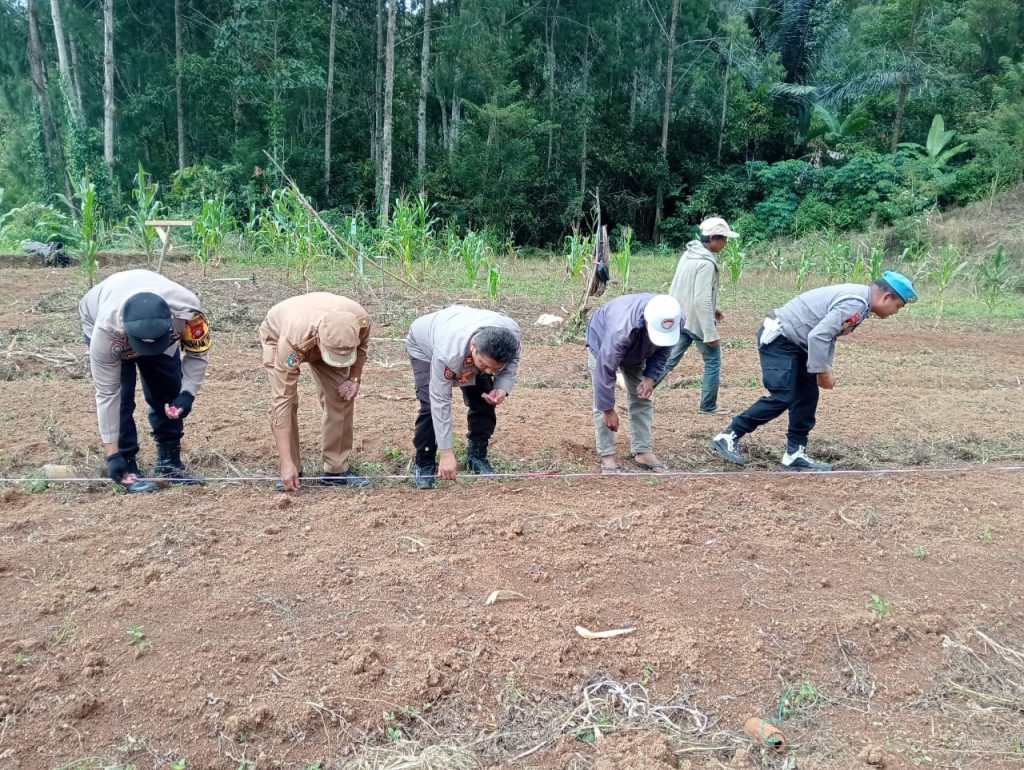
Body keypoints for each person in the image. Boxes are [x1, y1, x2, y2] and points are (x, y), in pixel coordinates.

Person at [709, 271, 918, 471]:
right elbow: (819, 336)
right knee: (783, 396)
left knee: (807, 396)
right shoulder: (856, 302)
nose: (895, 312)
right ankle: (728, 436)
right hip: (781, 339)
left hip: (798, 344)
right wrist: (822, 371)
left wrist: (825, 366)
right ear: (887, 297)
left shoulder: (860, 301)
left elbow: (828, 335)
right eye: (897, 306)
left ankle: (795, 454)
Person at [80, 269, 209, 493]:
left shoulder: (188, 311)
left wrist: (187, 393)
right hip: (101, 315)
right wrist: (113, 455)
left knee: (168, 387)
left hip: (162, 328)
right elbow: (108, 394)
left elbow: (197, 354)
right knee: (122, 396)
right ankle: (127, 464)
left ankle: (169, 461)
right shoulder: (106, 331)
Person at [259, 293, 372, 492]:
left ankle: (336, 470)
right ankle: (291, 466)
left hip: (327, 338)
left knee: (341, 395)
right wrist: (285, 464)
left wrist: (354, 378)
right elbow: (281, 401)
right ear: (319, 340)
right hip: (280, 334)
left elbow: (361, 347)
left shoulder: (359, 321)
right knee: (288, 401)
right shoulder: (292, 342)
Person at [406, 305, 522, 489]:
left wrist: (501, 387)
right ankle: (425, 461)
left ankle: (477, 456)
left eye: (495, 368)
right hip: (425, 343)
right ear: (474, 346)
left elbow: (512, 361)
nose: (489, 371)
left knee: (483, 400)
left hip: (460, 329)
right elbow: (440, 401)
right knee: (429, 406)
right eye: (484, 365)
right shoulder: (448, 353)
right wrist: (446, 453)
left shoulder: (511, 337)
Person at [586, 293, 683, 474]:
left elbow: (664, 350)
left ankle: (642, 450)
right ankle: (607, 455)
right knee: (602, 401)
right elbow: (604, 371)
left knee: (642, 396)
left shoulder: (674, 318)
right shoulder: (621, 330)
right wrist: (608, 410)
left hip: (641, 347)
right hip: (602, 341)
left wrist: (650, 377)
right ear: (646, 322)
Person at [660, 216, 739, 415]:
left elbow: (686, 288)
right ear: (713, 238)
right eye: (724, 239)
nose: (725, 243)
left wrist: (714, 306)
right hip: (696, 321)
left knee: (668, 360)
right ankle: (708, 406)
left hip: (680, 316)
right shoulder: (706, 264)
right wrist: (710, 333)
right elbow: (701, 299)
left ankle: (640, 392)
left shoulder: (689, 254)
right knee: (713, 361)